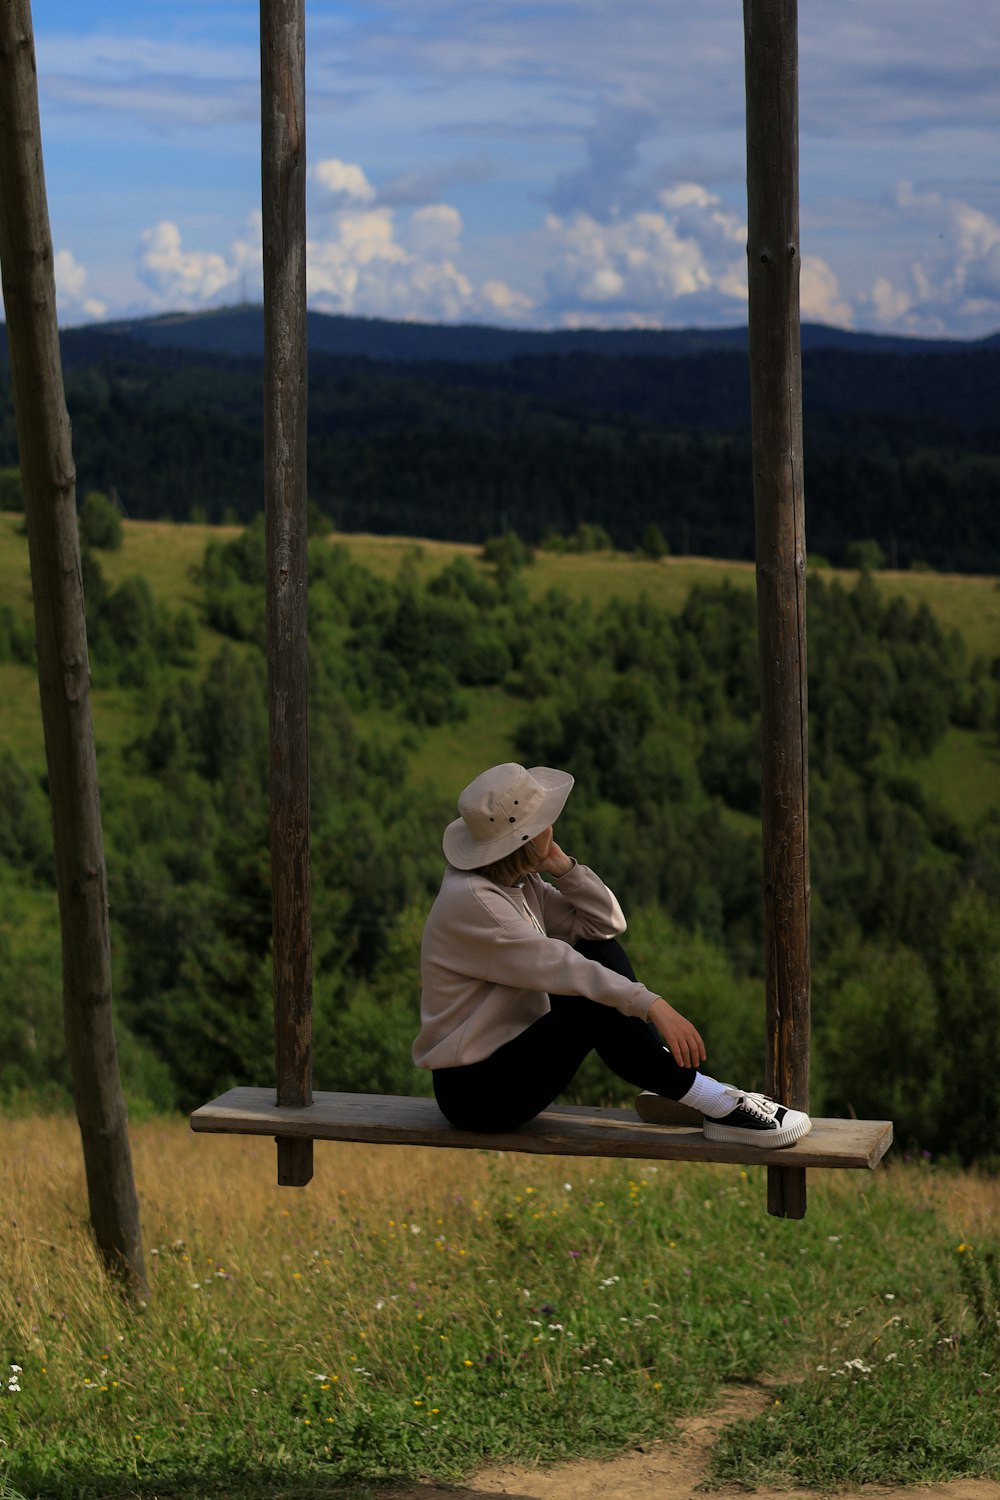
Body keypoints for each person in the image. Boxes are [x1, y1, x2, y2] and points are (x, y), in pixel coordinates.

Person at [413, 762, 811, 1148]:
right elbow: (563, 967)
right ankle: (718, 1103)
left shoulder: (516, 882)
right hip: (478, 1094)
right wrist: (652, 1005)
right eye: (545, 822)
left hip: (508, 1063)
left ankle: (682, 1083)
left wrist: (566, 870)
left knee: (600, 953)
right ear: (528, 838)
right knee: (590, 1000)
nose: (553, 826)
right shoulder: (474, 903)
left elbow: (603, 926)